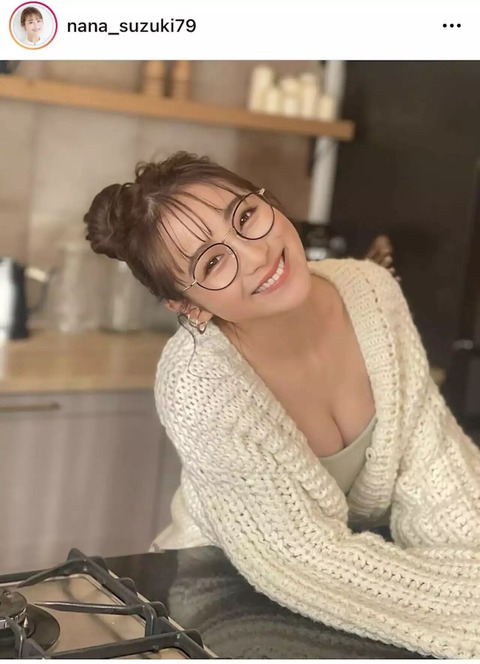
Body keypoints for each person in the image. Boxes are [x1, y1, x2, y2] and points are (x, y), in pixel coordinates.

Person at [84, 151, 480, 659]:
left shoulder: (371, 290)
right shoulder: (196, 384)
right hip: (225, 596)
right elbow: (300, 559)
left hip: (368, 580)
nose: (256, 255)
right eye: (212, 262)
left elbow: (436, 469)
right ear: (188, 306)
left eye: (245, 216)